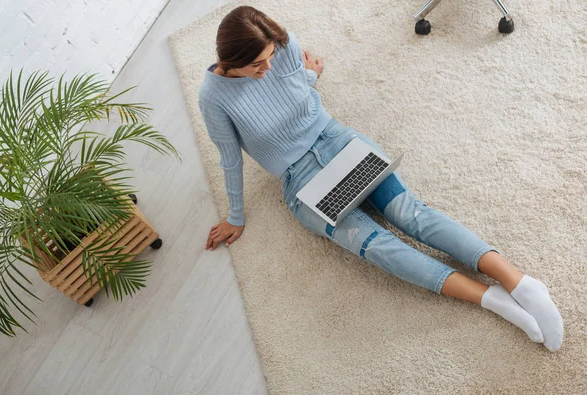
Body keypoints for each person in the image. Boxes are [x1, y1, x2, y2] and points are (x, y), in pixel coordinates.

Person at [198, 5, 563, 351]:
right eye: (257, 65)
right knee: (379, 247)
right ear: (231, 61)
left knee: (410, 214)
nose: (268, 67)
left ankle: (521, 283)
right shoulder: (214, 98)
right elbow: (229, 159)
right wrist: (235, 217)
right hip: (300, 180)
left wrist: (309, 77)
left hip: (336, 139)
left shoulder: (282, 45)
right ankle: (489, 298)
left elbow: (293, 89)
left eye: (271, 58)